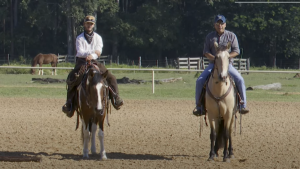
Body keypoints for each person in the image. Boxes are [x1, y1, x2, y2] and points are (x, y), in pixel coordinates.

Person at [62, 15, 123, 117]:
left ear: (93, 25)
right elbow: (80, 52)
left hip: (94, 61)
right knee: (72, 78)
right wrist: (90, 53)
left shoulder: (98, 38)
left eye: (91, 24)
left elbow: (99, 51)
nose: (89, 25)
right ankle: (69, 104)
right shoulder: (79, 38)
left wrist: (92, 55)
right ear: (84, 24)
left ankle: (116, 98)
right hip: (82, 62)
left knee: (111, 77)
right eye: (87, 23)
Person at [193, 14, 249, 116]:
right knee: (200, 80)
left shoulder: (231, 36)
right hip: (213, 65)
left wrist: (225, 57)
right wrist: (216, 59)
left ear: (225, 24)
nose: (220, 26)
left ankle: (243, 105)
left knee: (240, 79)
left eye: (222, 23)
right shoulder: (209, 37)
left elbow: (236, 51)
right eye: (218, 24)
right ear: (214, 25)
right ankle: (199, 106)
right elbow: (206, 52)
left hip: (228, 66)